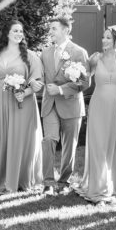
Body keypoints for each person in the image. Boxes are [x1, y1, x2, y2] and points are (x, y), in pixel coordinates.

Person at [0, 20, 44, 194]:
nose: (19, 34)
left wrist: (26, 92)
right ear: (7, 33)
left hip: (20, 103)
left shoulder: (30, 56)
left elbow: (37, 81)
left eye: (21, 31)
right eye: (15, 30)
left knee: (17, 141)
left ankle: (15, 180)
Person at [78, 26, 116, 204]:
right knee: (99, 144)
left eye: (108, 38)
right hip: (99, 105)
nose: (104, 40)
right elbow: (85, 80)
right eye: (103, 37)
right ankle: (99, 189)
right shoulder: (95, 58)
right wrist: (74, 75)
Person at [39, 15, 91, 195]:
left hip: (71, 105)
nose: (50, 31)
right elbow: (40, 78)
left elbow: (85, 82)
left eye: (54, 28)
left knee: (70, 145)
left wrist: (61, 90)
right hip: (49, 105)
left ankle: (64, 181)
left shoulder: (79, 52)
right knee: (49, 140)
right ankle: (47, 182)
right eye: (50, 28)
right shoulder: (45, 53)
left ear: (65, 30)